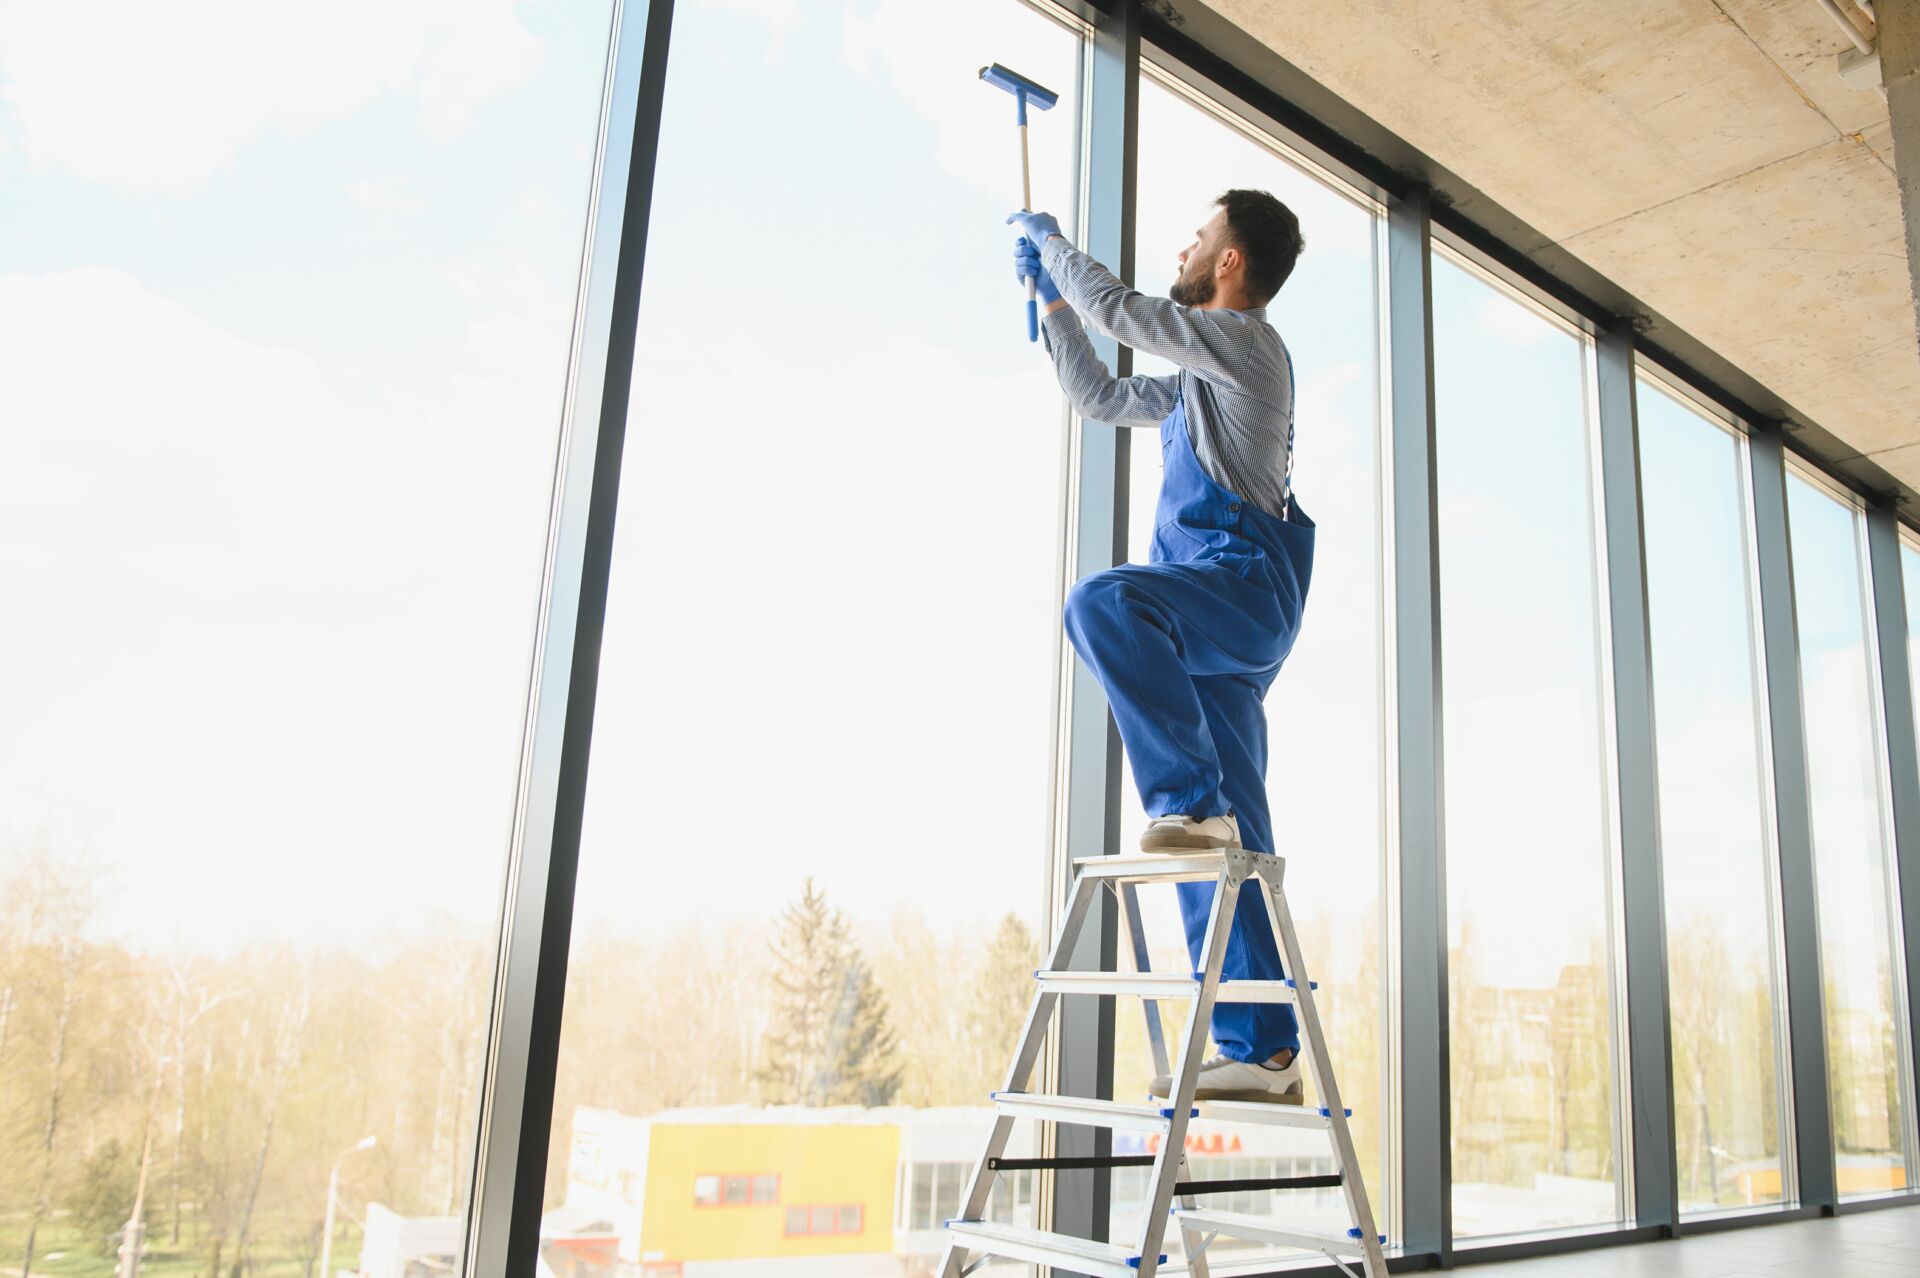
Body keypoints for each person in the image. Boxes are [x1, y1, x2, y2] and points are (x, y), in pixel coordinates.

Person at [1008, 191, 1311, 1105]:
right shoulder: (1197, 384)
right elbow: (1099, 395)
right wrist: (1053, 307)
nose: (1185, 246)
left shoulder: (1245, 343)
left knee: (1103, 604)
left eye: (1199, 235)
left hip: (1236, 591)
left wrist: (1054, 244)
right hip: (1214, 623)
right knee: (1231, 847)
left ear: (1229, 265)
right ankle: (1265, 1049)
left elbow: (1123, 312)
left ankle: (1187, 800)